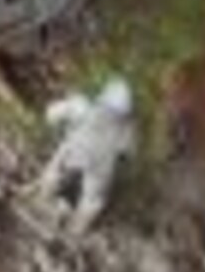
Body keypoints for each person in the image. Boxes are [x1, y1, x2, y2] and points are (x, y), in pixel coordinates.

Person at [37, 78, 136, 233]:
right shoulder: (126, 131)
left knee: (55, 171)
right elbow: (127, 154)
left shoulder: (84, 107)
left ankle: (43, 202)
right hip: (100, 168)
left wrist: (56, 127)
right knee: (92, 200)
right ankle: (75, 230)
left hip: (74, 153)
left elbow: (52, 114)